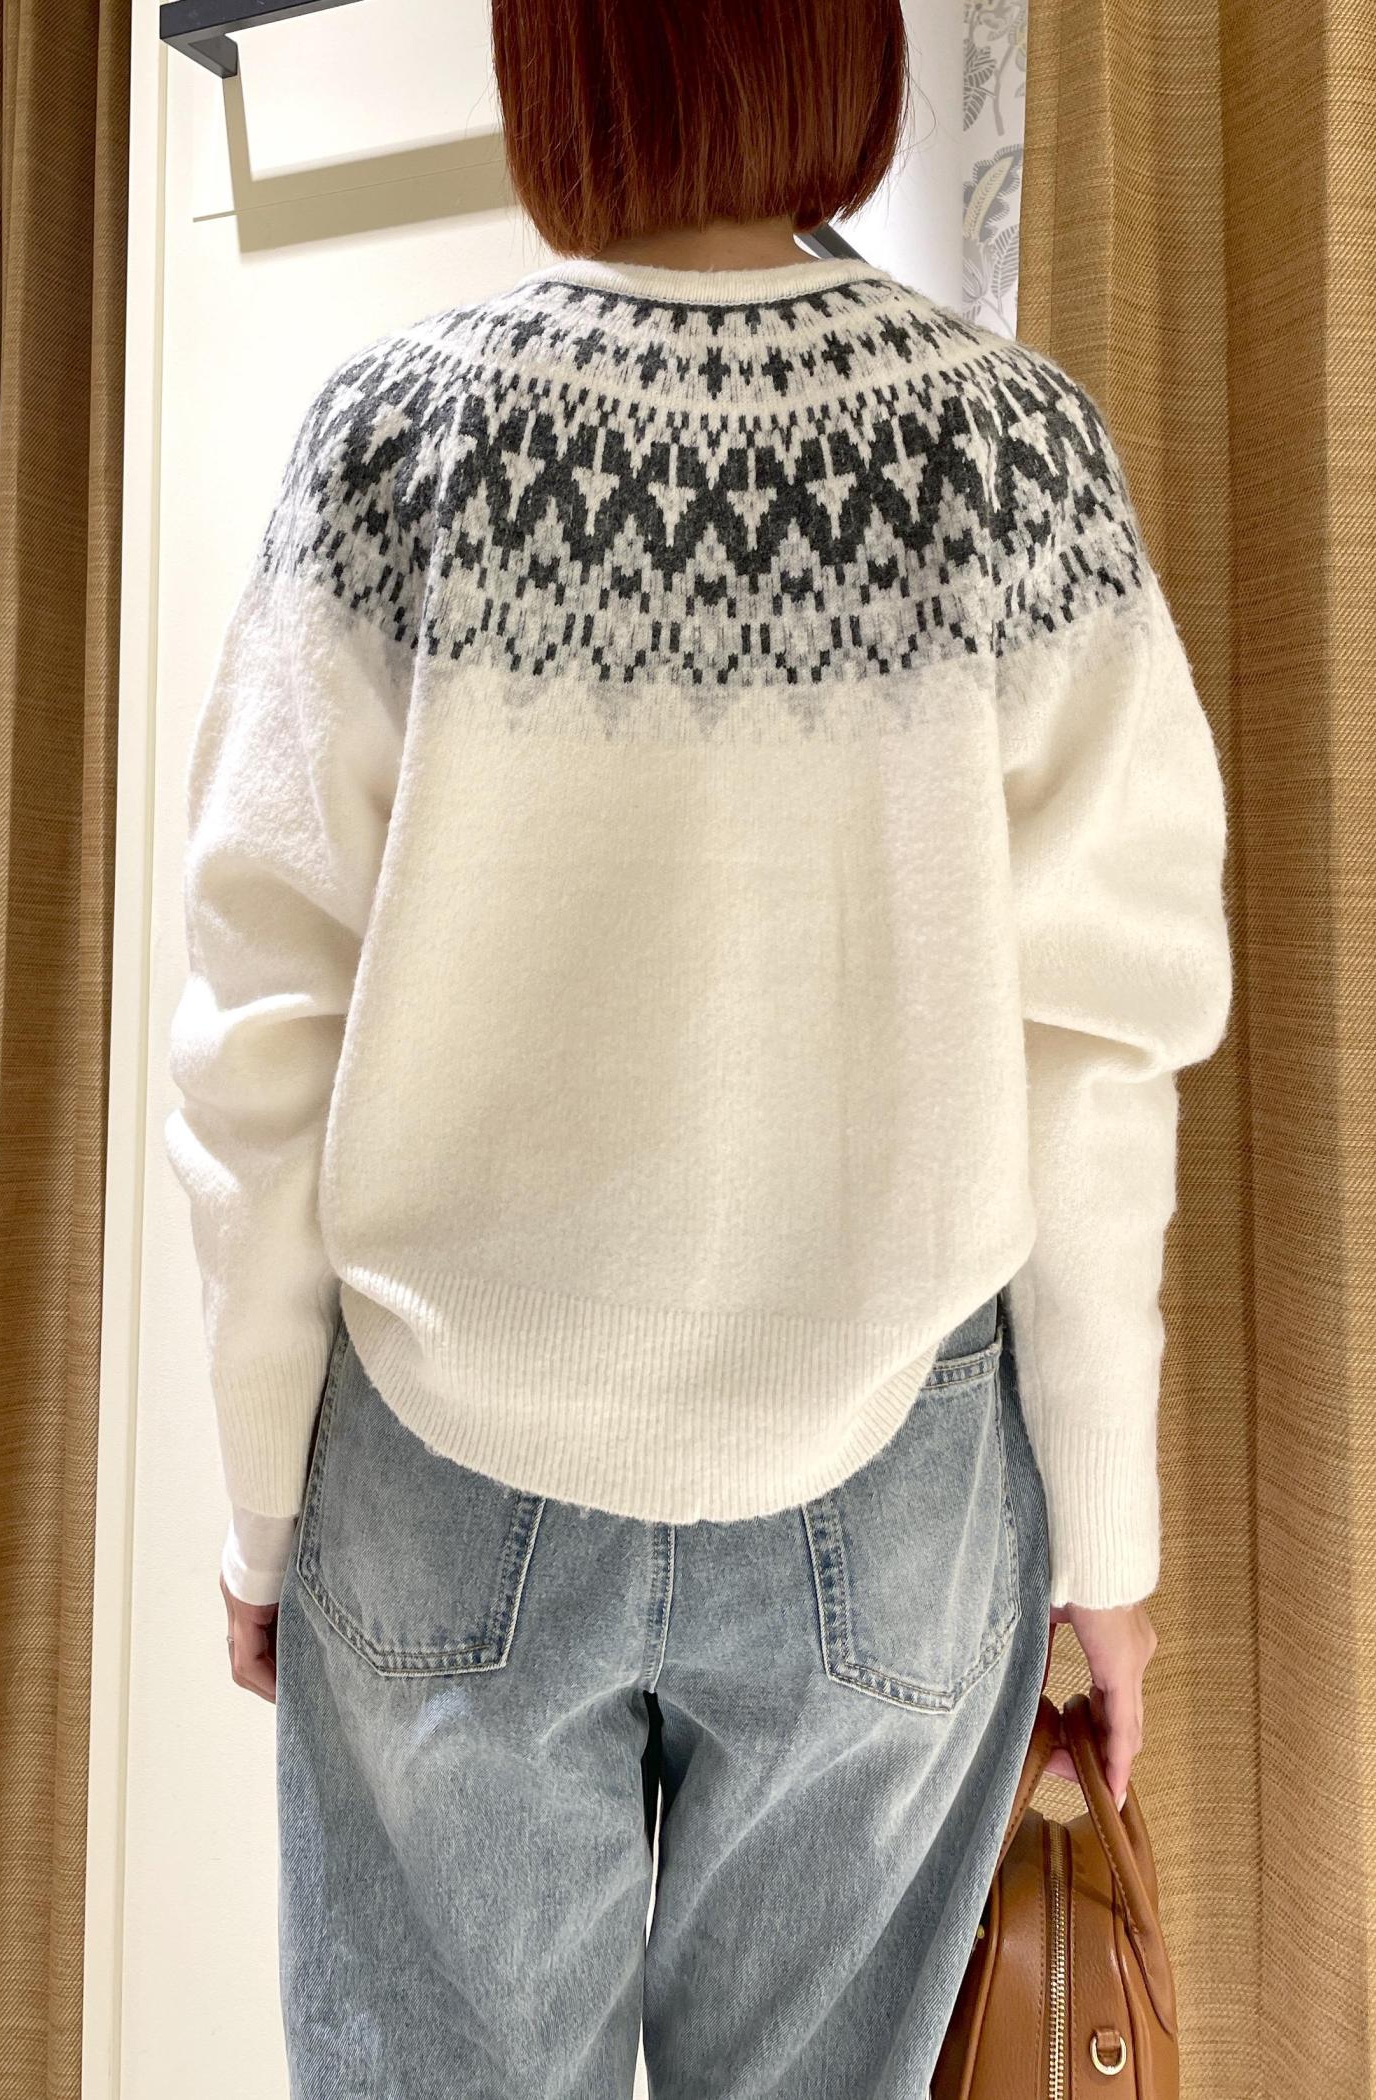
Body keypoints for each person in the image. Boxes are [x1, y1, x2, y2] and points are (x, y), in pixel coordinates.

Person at [163, 0, 1232, 2090]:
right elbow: (1098, 1050)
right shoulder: (1013, 451)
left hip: (447, 1466)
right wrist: (1107, 1544)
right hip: (894, 1481)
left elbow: (260, 1023)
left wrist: (265, 1504)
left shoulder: (390, 440)